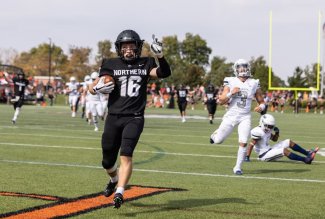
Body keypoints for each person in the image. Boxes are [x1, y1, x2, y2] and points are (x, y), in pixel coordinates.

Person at [89, 30, 171, 208]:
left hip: (134, 117)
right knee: (107, 161)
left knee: (126, 155)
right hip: (113, 117)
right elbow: (94, 85)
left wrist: (161, 56)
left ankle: (119, 192)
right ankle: (114, 180)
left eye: (131, 45)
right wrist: (95, 88)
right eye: (124, 46)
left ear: (137, 47)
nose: (128, 49)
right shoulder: (110, 64)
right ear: (119, 48)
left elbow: (164, 73)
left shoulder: (146, 62)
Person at [210, 59, 265, 175]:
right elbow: (221, 101)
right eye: (240, 67)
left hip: (245, 117)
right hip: (230, 116)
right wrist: (231, 93)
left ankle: (237, 167)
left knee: (244, 141)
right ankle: (214, 135)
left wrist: (262, 106)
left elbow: (261, 100)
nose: (243, 69)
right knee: (218, 140)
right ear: (236, 69)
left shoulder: (254, 82)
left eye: (245, 67)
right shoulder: (230, 81)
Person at [245, 114, 319, 164]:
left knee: (288, 141)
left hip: (269, 150)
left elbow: (274, 139)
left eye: (271, 126)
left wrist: (277, 133)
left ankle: (308, 153)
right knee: (284, 151)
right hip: (264, 155)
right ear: (262, 123)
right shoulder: (257, 131)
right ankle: (306, 160)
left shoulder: (266, 130)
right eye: (269, 126)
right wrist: (247, 157)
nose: (270, 128)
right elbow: (251, 144)